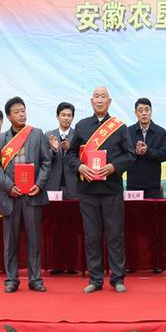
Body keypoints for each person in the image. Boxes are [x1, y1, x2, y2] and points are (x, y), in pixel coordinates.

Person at [68, 86, 136, 293]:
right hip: (87, 190)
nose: (99, 100)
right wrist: (80, 167)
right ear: (91, 101)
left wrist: (114, 166)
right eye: (96, 96)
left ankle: (117, 278)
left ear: (109, 101)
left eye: (103, 97)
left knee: (115, 235)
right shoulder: (81, 126)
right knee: (92, 236)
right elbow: (71, 155)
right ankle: (95, 279)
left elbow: (130, 155)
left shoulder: (119, 127)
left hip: (111, 189)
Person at [0, 97, 51, 293]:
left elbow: (46, 162)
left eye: (23, 110)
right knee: (10, 241)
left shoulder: (37, 134)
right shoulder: (0, 140)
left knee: (34, 240)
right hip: (11, 196)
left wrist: (39, 185)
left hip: (33, 195)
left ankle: (35, 279)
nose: (21, 114)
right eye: (16, 112)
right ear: (9, 116)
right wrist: (9, 187)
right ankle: (11, 279)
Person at [127, 98, 166, 199]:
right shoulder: (128, 131)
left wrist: (148, 151)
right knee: (133, 209)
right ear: (135, 113)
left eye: (147, 109)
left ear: (151, 111)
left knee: (152, 209)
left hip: (153, 186)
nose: (144, 113)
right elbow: (124, 154)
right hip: (133, 185)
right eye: (140, 110)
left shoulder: (161, 132)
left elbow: (164, 155)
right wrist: (134, 151)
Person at [45, 102, 78, 198]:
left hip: (73, 186)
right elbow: (44, 160)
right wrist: (54, 150)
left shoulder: (77, 135)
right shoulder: (48, 135)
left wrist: (70, 149)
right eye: (63, 115)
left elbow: (82, 158)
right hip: (52, 186)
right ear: (57, 116)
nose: (66, 118)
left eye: (69, 115)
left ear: (73, 117)